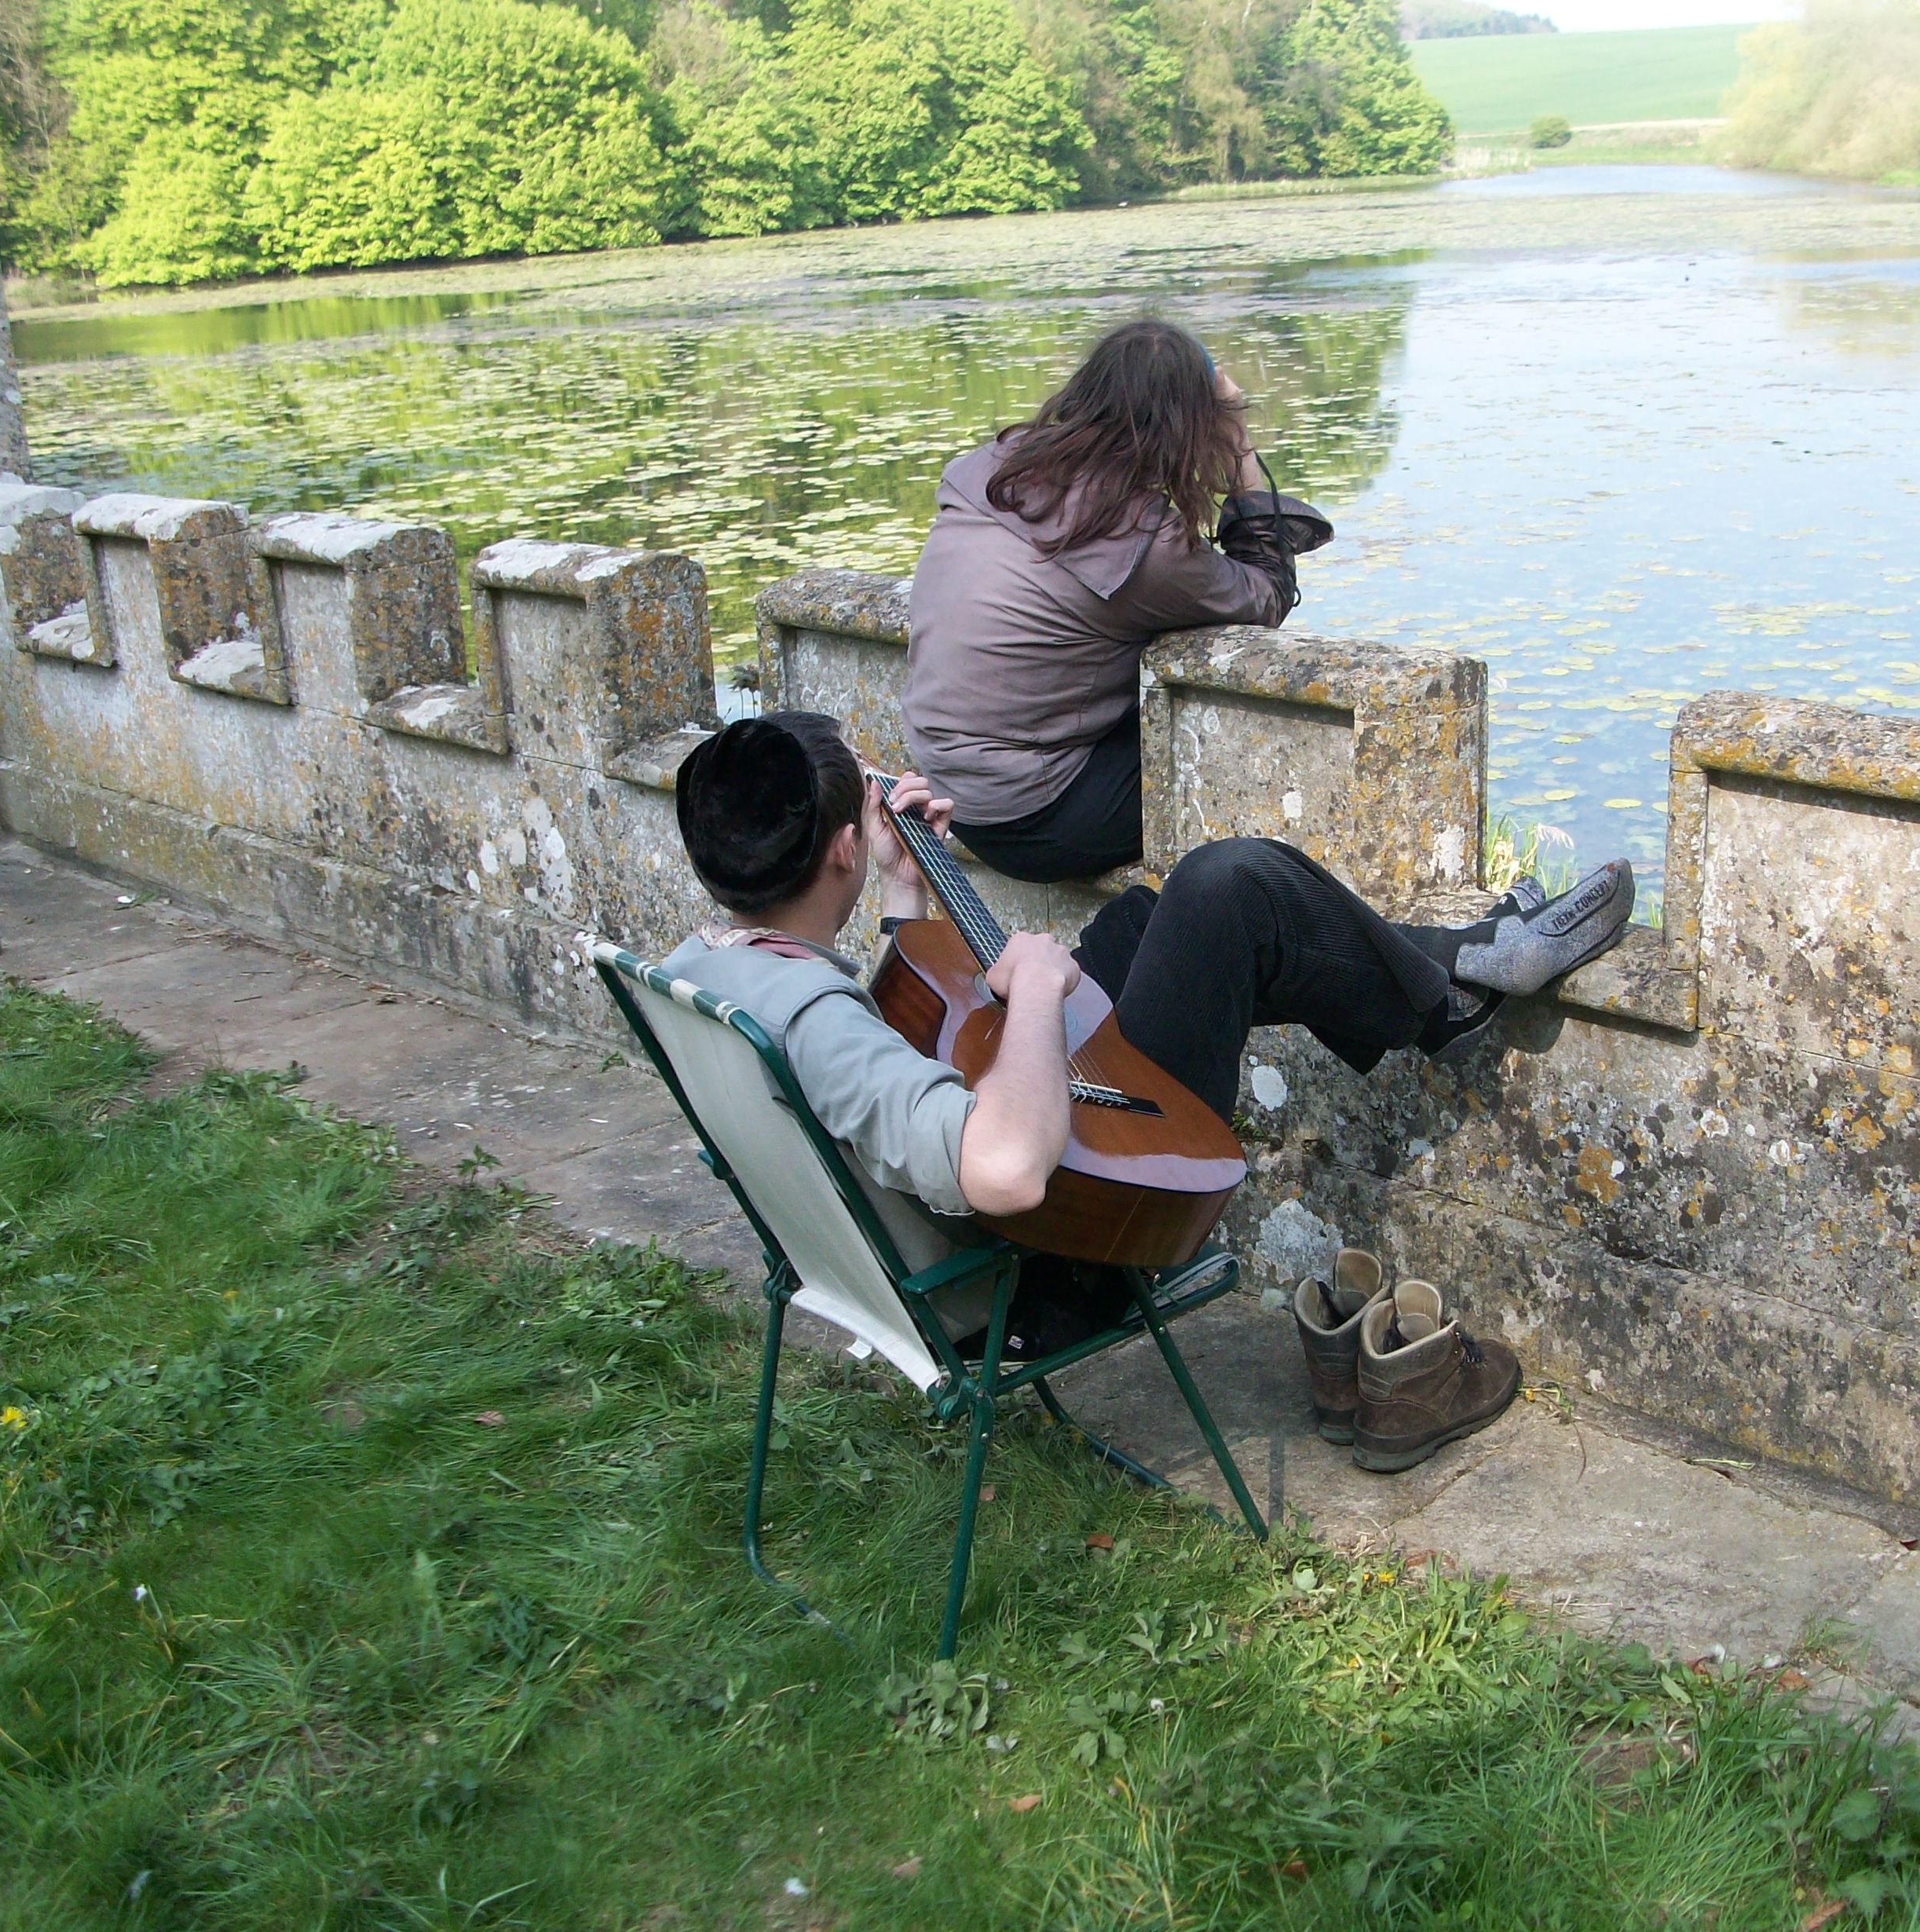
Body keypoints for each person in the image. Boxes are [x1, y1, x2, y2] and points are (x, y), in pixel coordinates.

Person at [664, 713, 1636, 1471]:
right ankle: (1452, 986)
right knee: (1225, 890)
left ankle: (1448, 968)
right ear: (839, 847)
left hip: (929, 1244)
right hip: (1056, 1253)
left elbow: (890, 1057)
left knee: (1139, 922)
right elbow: (1004, 1169)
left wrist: (902, 889)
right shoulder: (819, 1026)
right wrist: (1033, 991)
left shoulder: (708, 973)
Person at [902, 320, 1332, 886]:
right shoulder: (1142, 542)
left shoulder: (999, 469)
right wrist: (1241, 452)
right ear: (1189, 426)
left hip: (949, 793)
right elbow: (1265, 594)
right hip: (1036, 821)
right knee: (1238, 732)